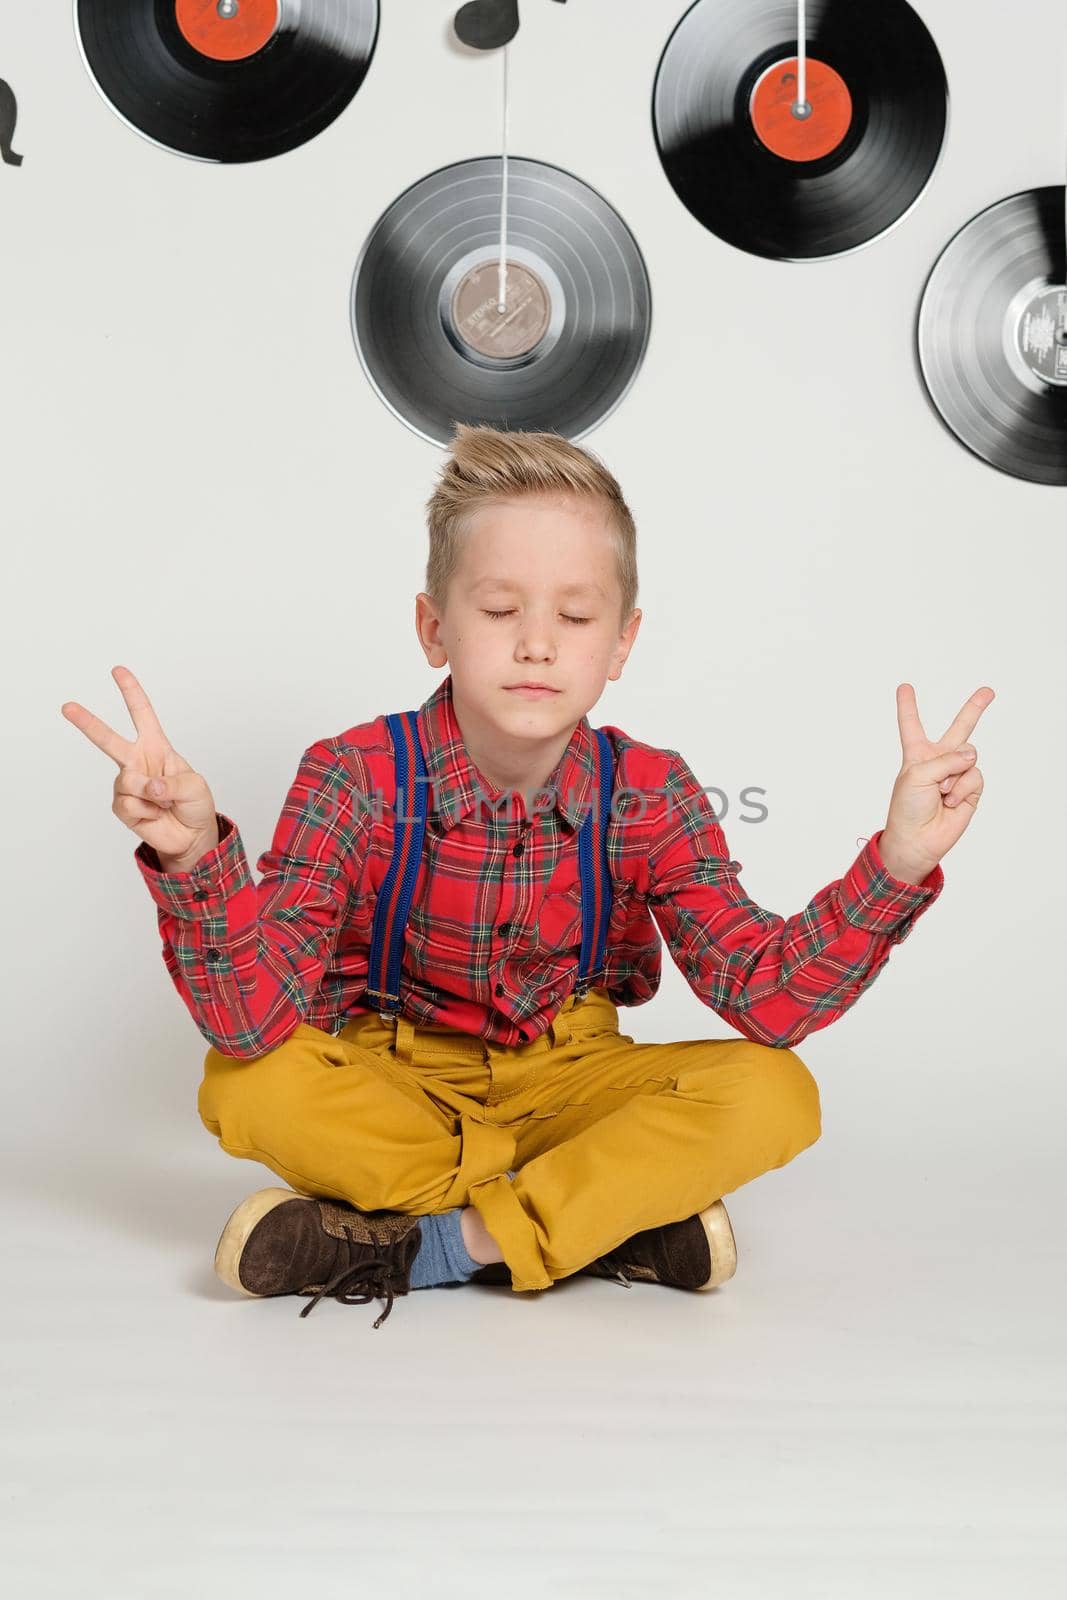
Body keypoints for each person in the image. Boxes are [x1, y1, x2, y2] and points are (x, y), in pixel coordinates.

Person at [60, 424, 992, 1330]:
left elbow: (764, 1001)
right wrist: (191, 860)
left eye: (574, 616)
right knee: (242, 1084)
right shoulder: (351, 774)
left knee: (776, 1091)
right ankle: (602, 1221)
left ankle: (428, 1245)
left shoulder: (652, 790)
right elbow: (254, 1021)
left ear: (620, 643)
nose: (537, 643)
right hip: (397, 1078)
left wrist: (897, 865)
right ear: (435, 627)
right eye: (500, 611)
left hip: (572, 1079)